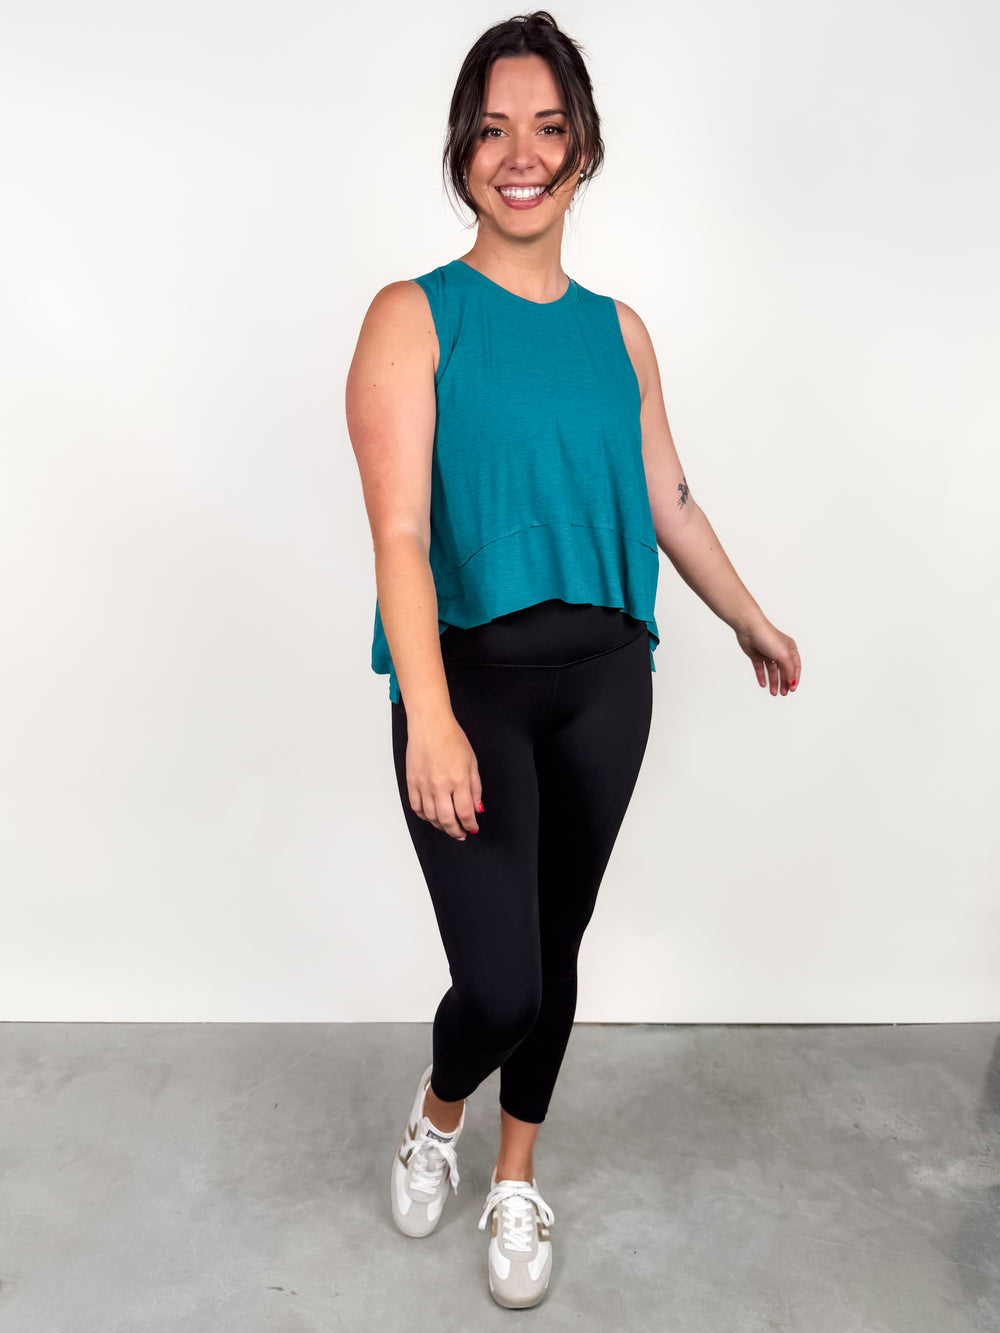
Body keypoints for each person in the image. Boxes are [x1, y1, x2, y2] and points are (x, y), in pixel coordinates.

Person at [345, 10, 800, 1310]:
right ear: (463, 151)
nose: (523, 155)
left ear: (583, 148)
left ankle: (515, 1175)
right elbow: (399, 532)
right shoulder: (412, 317)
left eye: (549, 128)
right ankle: (441, 1110)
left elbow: (670, 502)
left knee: (556, 947)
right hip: (472, 687)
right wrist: (429, 711)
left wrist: (750, 619)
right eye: (495, 130)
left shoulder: (622, 332)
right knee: (500, 984)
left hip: (607, 681)